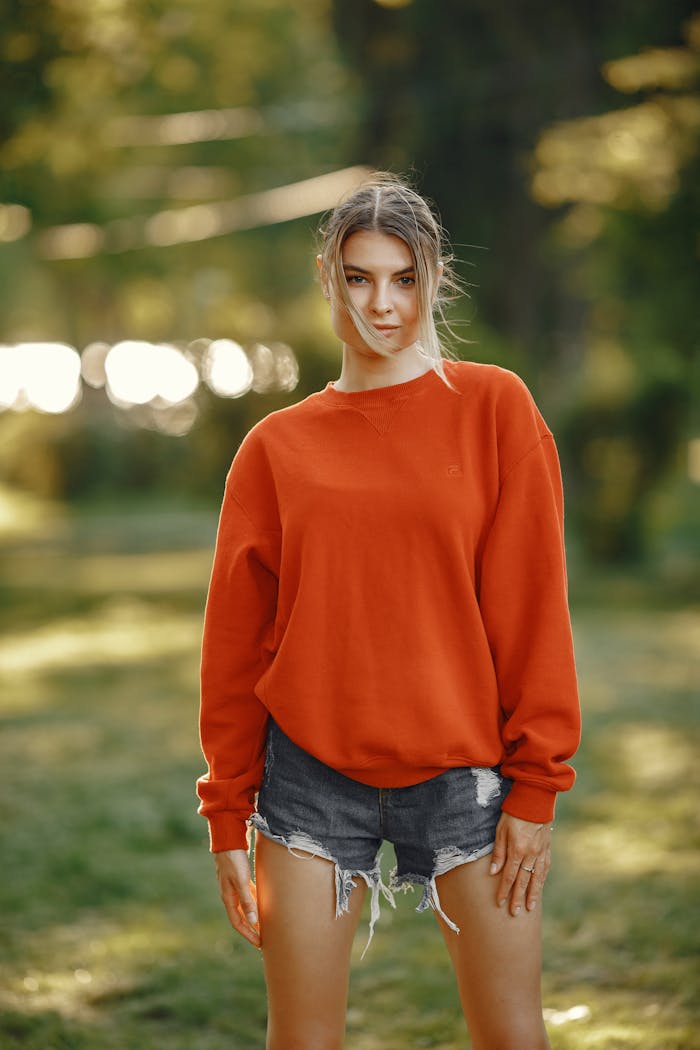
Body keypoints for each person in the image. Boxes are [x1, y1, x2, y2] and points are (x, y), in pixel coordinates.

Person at [197, 172, 580, 1050]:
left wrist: (537, 787)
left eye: (403, 278)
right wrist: (226, 809)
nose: (382, 303)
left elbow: (532, 610)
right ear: (327, 279)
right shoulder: (275, 448)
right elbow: (233, 644)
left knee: (513, 1037)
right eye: (359, 276)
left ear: (435, 279)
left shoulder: (494, 409)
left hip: (465, 779)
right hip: (308, 782)